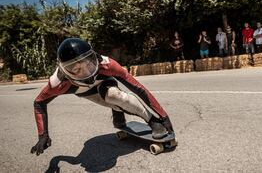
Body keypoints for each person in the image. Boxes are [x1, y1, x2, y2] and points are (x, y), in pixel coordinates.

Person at [30, 38, 174, 156]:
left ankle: (152, 121)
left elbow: (138, 89)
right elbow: (39, 103)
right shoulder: (57, 82)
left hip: (105, 84)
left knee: (115, 96)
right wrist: (43, 135)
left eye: (89, 64)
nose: (87, 73)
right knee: (112, 100)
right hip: (85, 92)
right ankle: (117, 113)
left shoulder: (107, 64)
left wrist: (162, 116)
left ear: (94, 56)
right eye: (76, 69)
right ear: (63, 70)